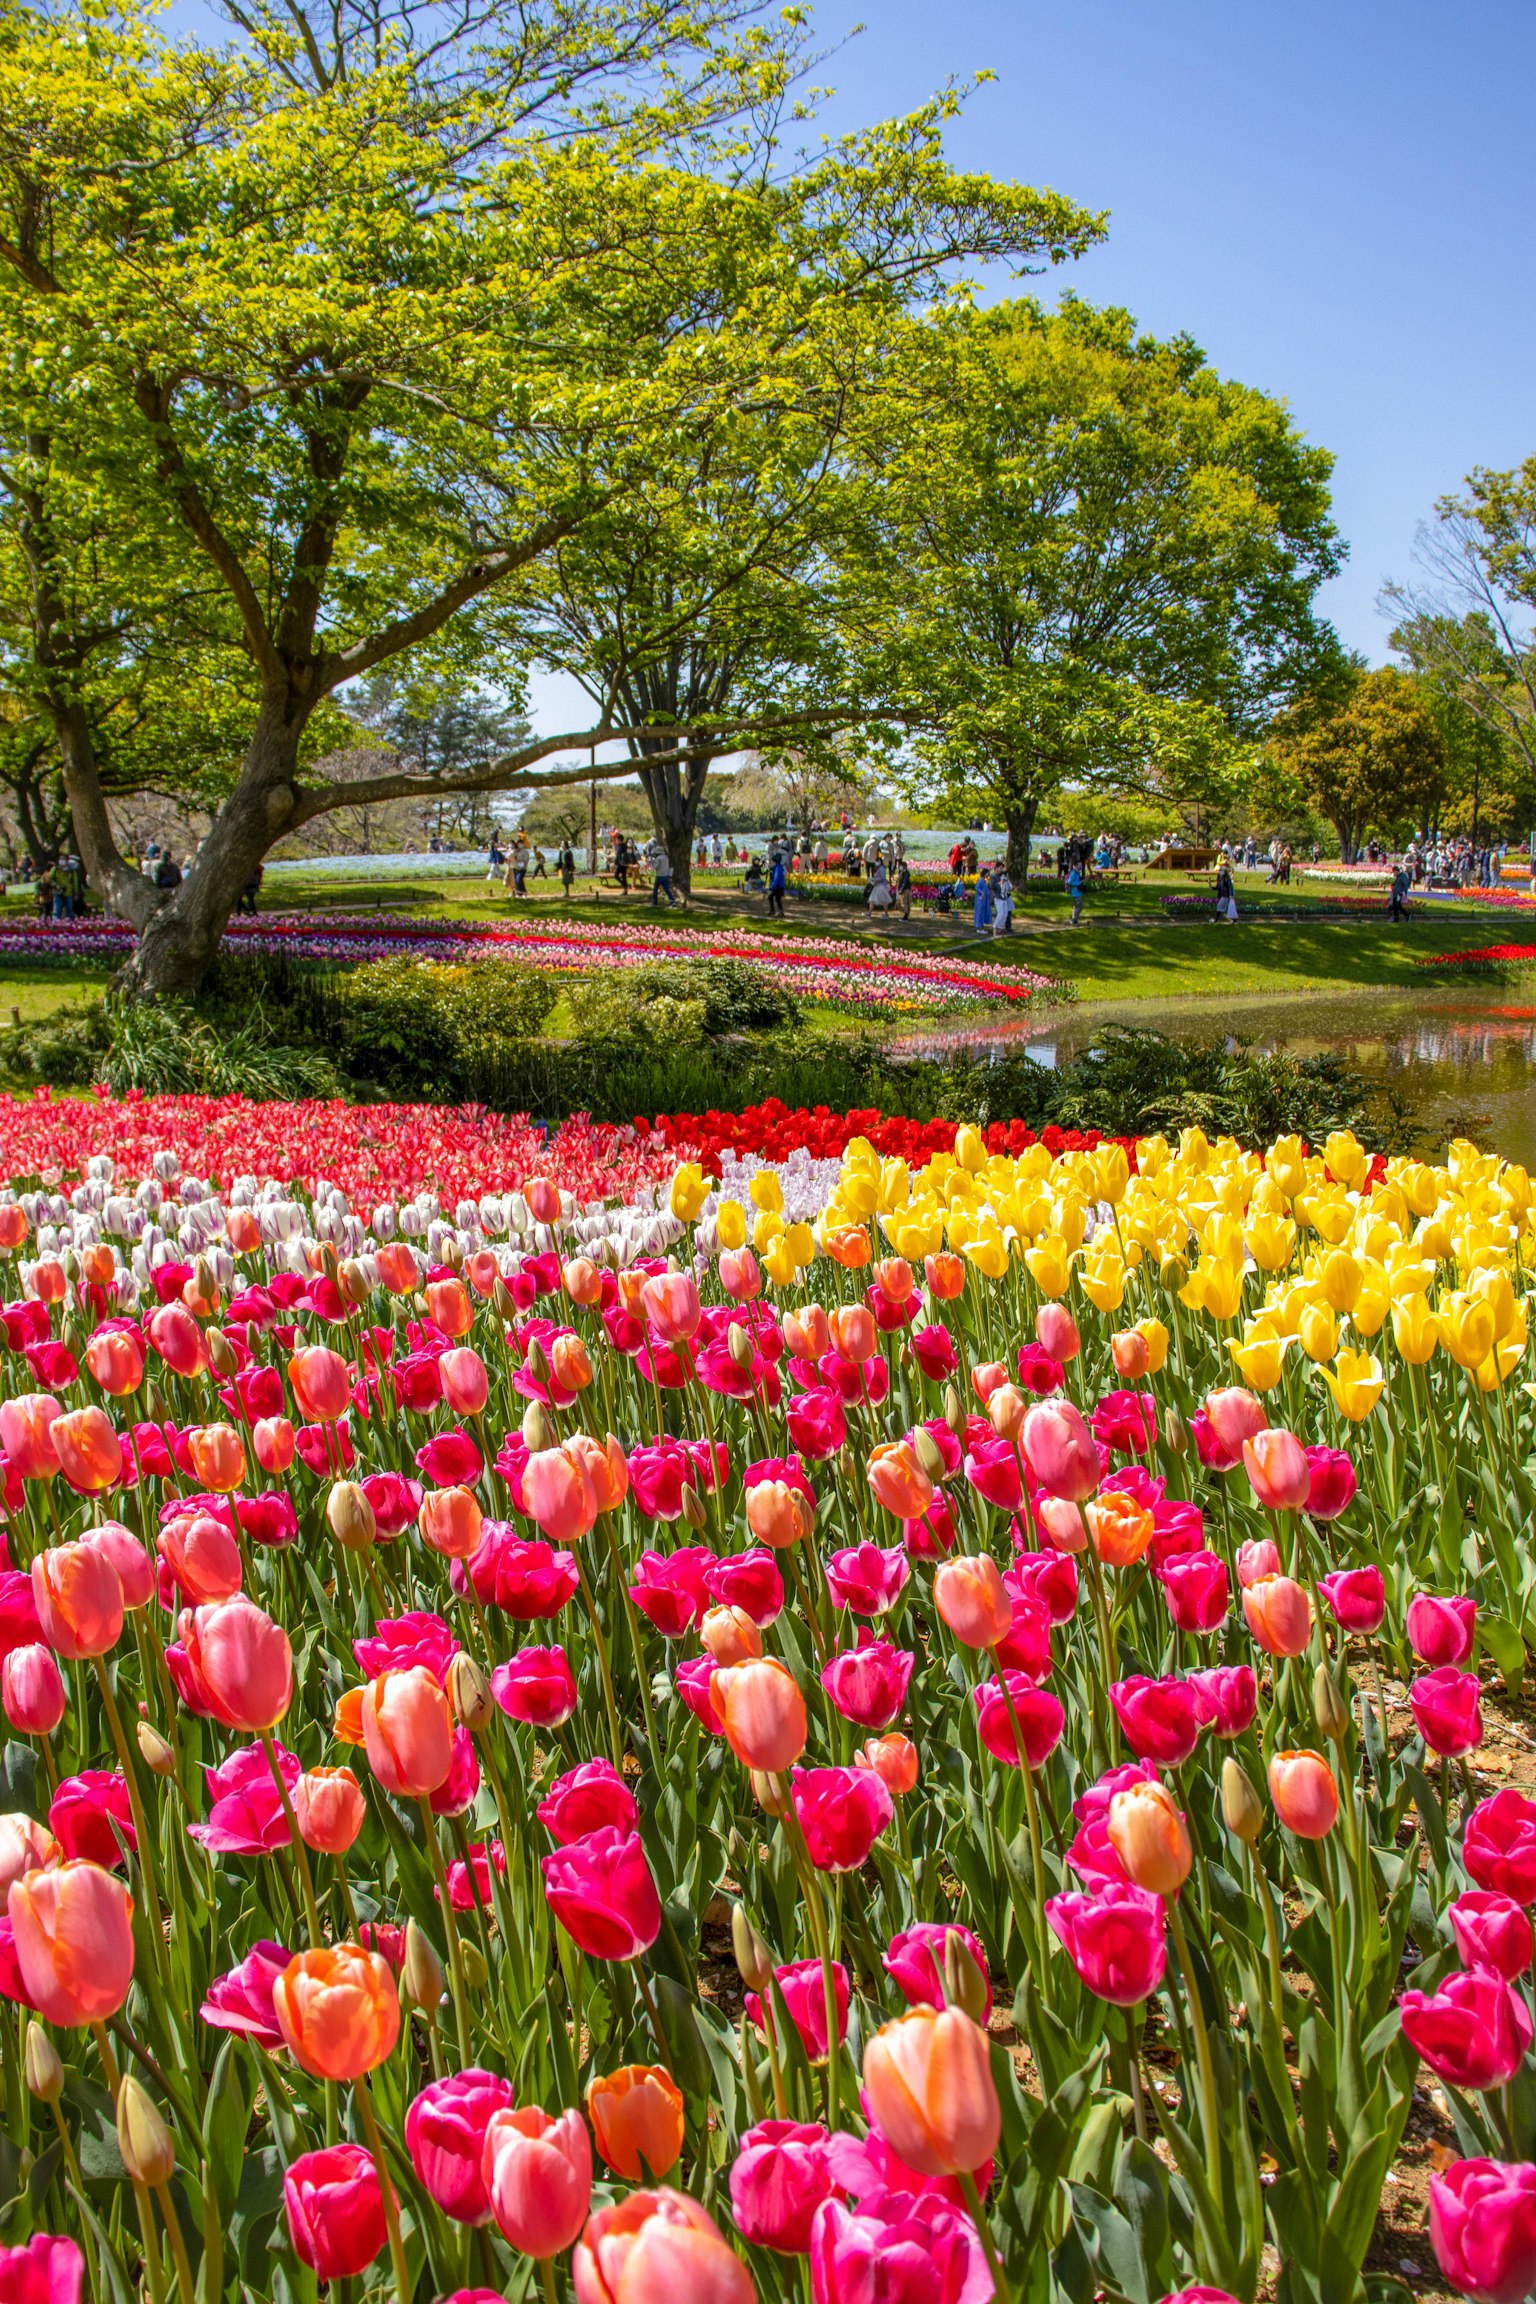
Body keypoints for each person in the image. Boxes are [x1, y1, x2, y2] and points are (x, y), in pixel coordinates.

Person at [649, 836, 677, 906]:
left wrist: (652, 862)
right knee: (667, 889)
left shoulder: (658, 858)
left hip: (659, 876)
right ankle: (672, 900)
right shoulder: (666, 857)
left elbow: (655, 867)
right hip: (665, 875)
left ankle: (655, 901)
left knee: (655, 889)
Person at [767, 843, 787, 918]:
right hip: (779, 886)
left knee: (775, 898)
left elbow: (776, 878)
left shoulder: (778, 868)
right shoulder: (777, 867)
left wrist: (772, 887)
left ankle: (777, 911)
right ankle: (778, 911)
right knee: (774, 898)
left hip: (777, 886)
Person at [1213, 860, 1236, 925]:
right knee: (1225, 908)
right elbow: (1218, 887)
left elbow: (1230, 886)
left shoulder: (1226, 878)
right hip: (1223, 895)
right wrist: (1212, 888)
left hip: (1226, 895)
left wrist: (1231, 894)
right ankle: (1233, 919)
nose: (1221, 873)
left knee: (1219, 907)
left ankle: (1216, 920)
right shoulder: (1220, 878)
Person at [972, 867, 994, 935]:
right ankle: (979, 928)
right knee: (980, 913)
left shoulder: (984, 881)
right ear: (984, 873)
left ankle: (981, 926)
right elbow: (976, 887)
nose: (988, 874)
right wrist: (982, 893)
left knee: (982, 912)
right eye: (987, 873)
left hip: (984, 900)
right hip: (980, 900)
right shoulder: (981, 880)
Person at [993, 866, 1013, 933]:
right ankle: (995, 927)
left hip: (1005, 899)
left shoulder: (1006, 881)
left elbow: (1010, 887)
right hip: (999, 898)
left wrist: (1006, 882)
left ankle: (999, 928)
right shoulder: (999, 880)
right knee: (1000, 913)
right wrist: (1001, 883)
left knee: (1005, 914)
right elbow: (996, 887)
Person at [1067, 856, 1085, 926]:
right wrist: (1079, 883)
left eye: (1081, 865)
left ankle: (1074, 919)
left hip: (1077, 892)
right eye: (1079, 865)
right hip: (1075, 893)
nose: (1081, 866)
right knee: (1080, 906)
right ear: (1075, 865)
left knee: (1076, 906)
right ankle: (1074, 919)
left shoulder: (1077, 873)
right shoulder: (1074, 873)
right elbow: (1070, 882)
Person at [895, 854, 912, 919]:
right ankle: (906, 915)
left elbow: (904, 882)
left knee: (904, 903)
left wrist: (901, 889)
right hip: (905, 889)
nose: (900, 867)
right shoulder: (902, 872)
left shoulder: (906, 873)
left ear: (904, 866)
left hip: (905, 890)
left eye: (901, 866)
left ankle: (906, 916)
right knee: (903, 903)